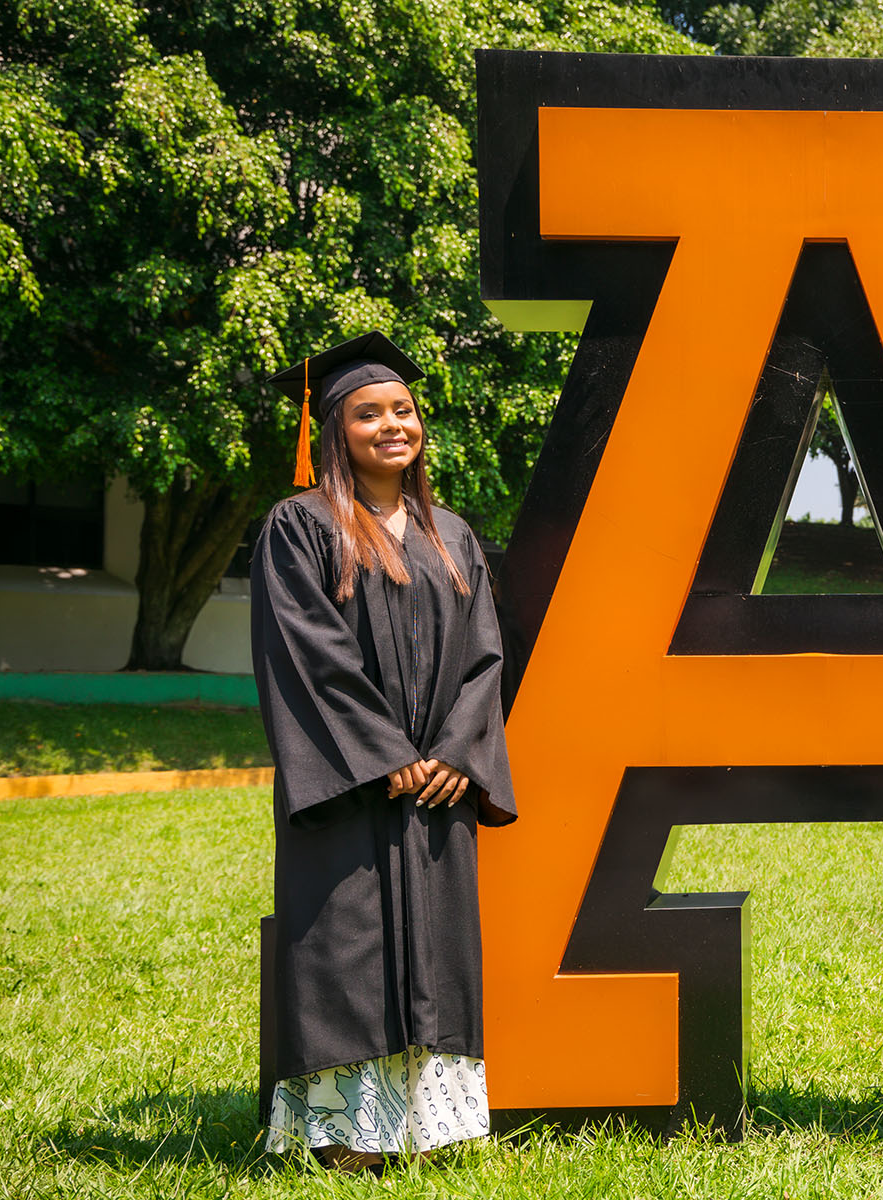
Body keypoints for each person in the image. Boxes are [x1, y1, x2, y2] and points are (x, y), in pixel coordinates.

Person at [253, 331, 516, 1172]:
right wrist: (382, 752)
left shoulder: (451, 533)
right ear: (335, 430)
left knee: (436, 948)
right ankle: (345, 1138)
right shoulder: (300, 527)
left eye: (403, 410)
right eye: (369, 413)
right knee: (344, 945)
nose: (392, 425)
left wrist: (454, 754)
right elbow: (305, 651)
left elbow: (484, 656)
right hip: (352, 789)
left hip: (435, 788)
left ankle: (428, 1126)